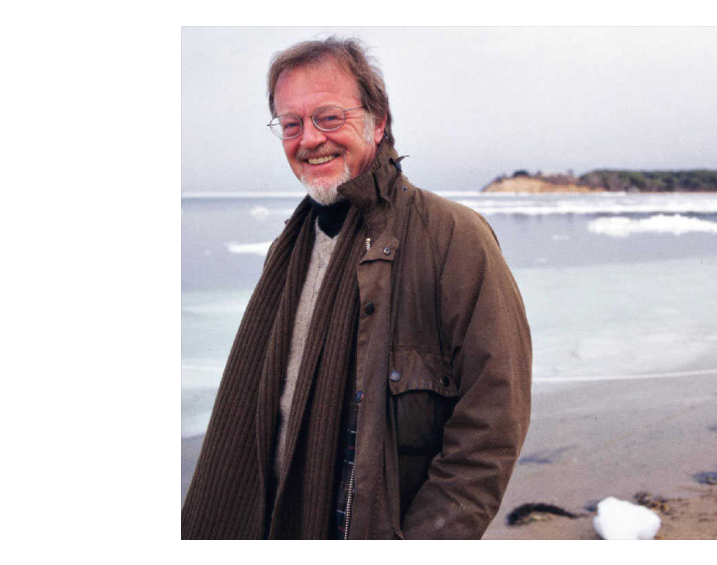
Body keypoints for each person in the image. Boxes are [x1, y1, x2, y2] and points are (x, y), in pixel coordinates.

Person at [181, 36, 532, 540]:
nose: (309, 139)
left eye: (328, 117)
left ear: (378, 121)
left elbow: (492, 422)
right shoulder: (291, 248)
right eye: (291, 124)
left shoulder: (451, 237)